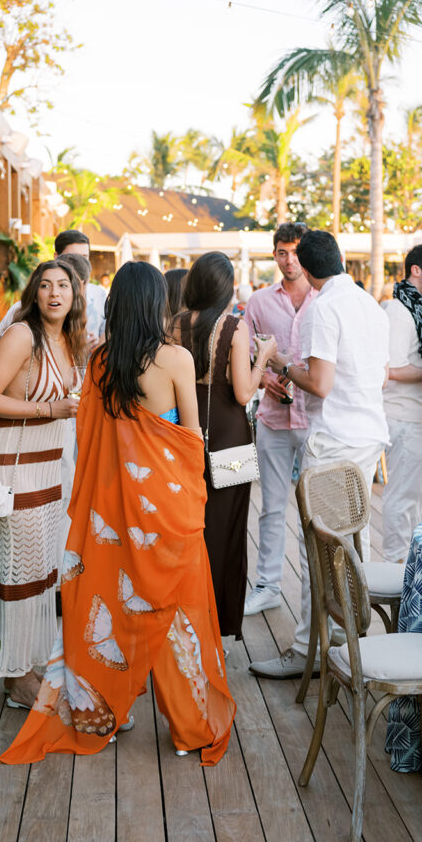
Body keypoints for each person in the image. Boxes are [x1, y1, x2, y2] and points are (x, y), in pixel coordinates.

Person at [0, 262, 235, 765]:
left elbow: (89, 441)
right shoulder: (174, 359)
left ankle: (108, 707)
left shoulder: (100, 361)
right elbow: (192, 438)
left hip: (115, 510)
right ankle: (190, 726)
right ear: (158, 304)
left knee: (116, 603)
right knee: (176, 613)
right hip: (169, 508)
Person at [249, 230, 389, 679]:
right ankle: (348, 636)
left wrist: (279, 364)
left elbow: (321, 383)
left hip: (333, 439)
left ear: (306, 270)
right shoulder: (370, 304)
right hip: (367, 434)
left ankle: (307, 649)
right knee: (353, 539)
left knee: (320, 545)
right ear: (341, 259)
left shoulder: (323, 307)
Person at [0, 260, 84, 707]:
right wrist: (47, 411)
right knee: (19, 571)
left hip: (50, 466)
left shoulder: (67, 340)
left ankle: (30, 663)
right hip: (16, 466)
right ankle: (14, 677)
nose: (55, 293)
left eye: (63, 285)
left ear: (75, 294)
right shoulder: (23, 334)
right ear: (34, 294)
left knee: (42, 571)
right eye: (46, 285)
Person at [172, 253, 277, 639]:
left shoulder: (176, 325)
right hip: (231, 438)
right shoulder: (235, 327)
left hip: (186, 430)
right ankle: (217, 623)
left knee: (189, 527)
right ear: (227, 286)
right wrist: (263, 357)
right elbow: (244, 390)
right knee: (228, 527)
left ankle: (184, 618)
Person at [243, 224, 316, 616]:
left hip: (314, 422)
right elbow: (245, 355)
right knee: (272, 507)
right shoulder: (257, 302)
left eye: (295, 252)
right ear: (274, 255)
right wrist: (264, 379)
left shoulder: (323, 298)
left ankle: (316, 588)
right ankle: (268, 585)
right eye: (282, 252)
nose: (290, 260)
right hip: (272, 418)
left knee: (315, 510)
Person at [382, 244, 422, 564]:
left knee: (415, 496)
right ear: (416, 270)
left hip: (420, 416)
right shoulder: (397, 310)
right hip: (403, 417)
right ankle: (395, 563)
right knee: (401, 497)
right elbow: (390, 370)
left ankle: (409, 564)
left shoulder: (418, 308)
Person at [0, 229, 107, 363]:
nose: (78, 264)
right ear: (57, 258)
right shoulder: (25, 310)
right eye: (72, 257)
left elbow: (104, 342)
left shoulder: (99, 295)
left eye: (84, 257)